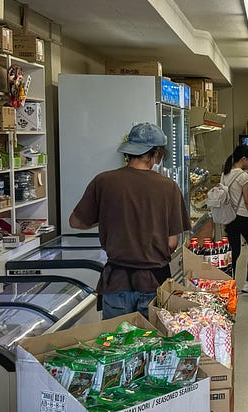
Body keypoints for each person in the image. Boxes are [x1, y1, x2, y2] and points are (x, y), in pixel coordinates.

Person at [69, 122, 189, 319]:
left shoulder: (104, 181)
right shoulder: (168, 187)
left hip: (117, 281)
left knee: (117, 345)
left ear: (129, 151)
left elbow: (76, 222)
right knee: (152, 346)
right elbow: (171, 242)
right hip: (154, 282)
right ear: (156, 153)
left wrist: (108, 217)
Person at [221, 145, 248, 294]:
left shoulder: (225, 173)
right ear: (243, 159)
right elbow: (247, 201)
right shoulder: (243, 176)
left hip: (229, 217)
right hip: (243, 217)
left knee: (234, 251)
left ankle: (230, 282)